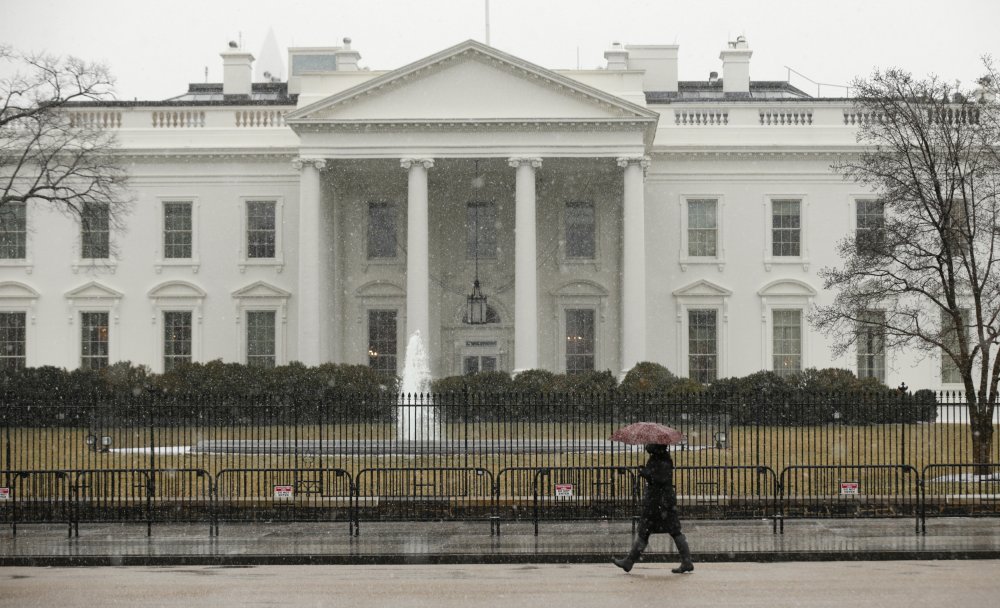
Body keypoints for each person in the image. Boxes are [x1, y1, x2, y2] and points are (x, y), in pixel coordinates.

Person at [613, 443, 694, 574]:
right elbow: (656, 476)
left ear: (657, 446)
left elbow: (659, 479)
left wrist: (645, 473)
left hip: (658, 503)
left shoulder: (662, 459)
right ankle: (686, 561)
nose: (647, 446)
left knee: (648, 531)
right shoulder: (660, 458)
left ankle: (629, 561)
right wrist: (646, 471)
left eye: (650, 444)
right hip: (661, 502)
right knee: (669, 531)